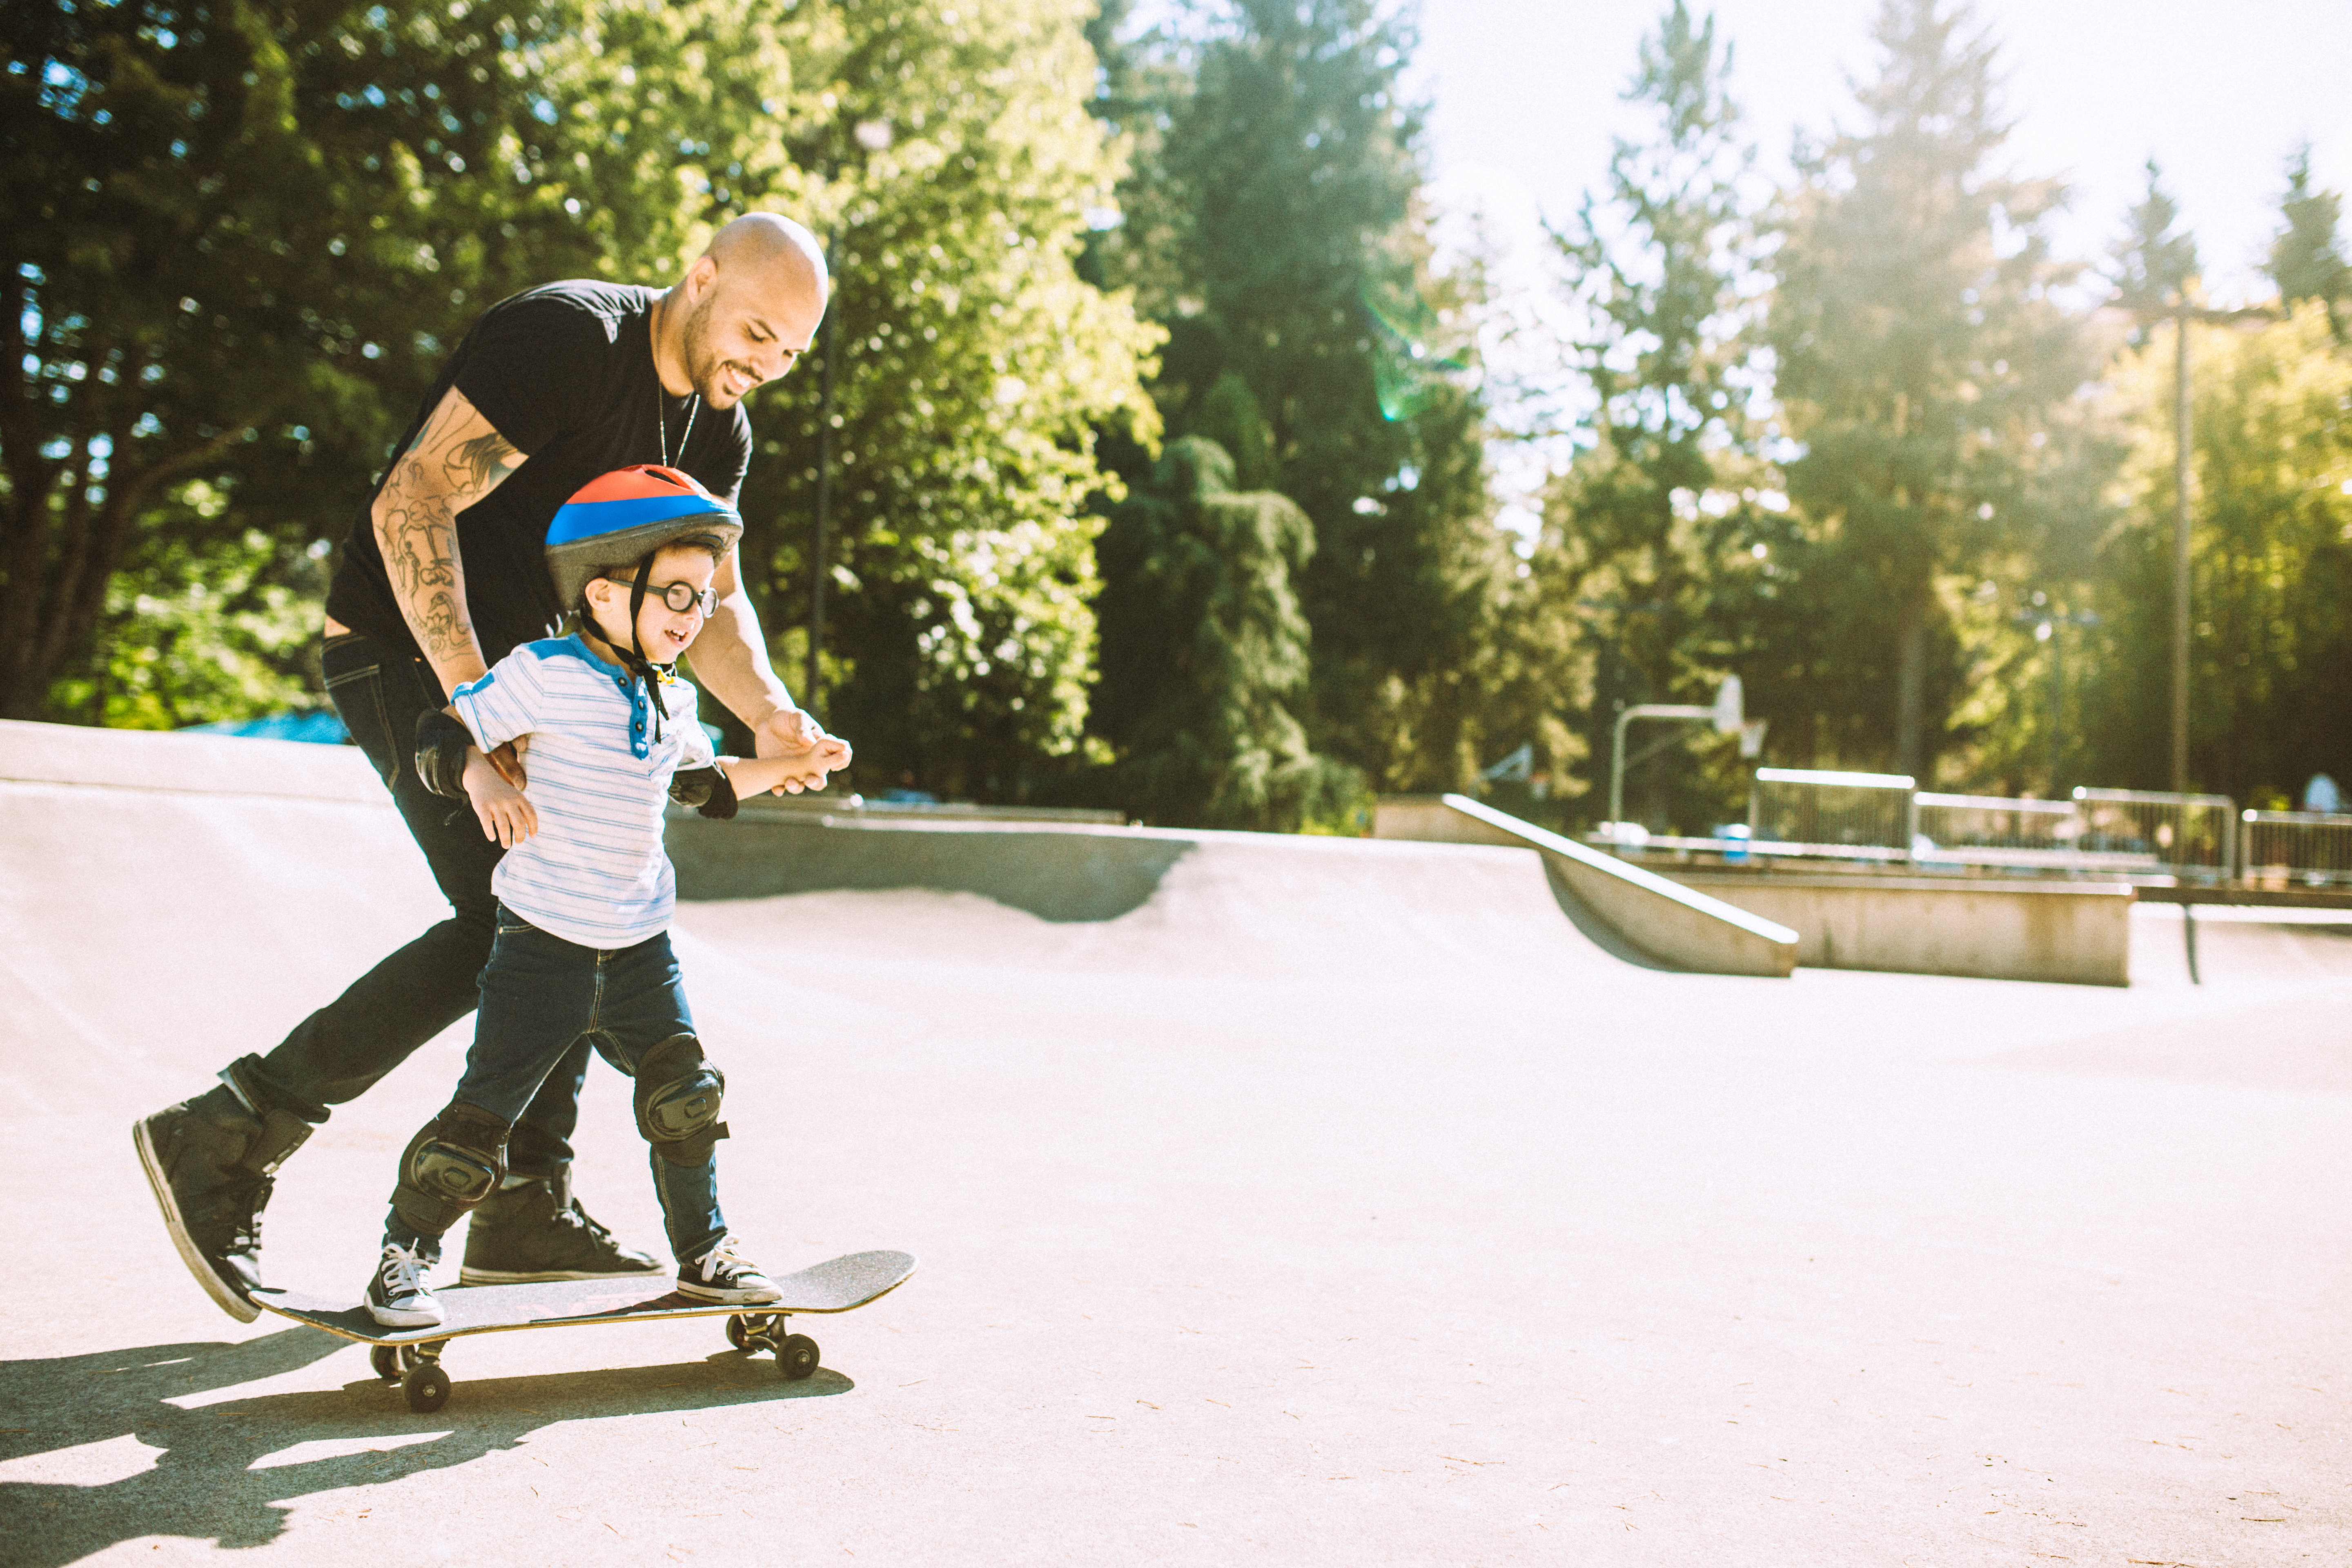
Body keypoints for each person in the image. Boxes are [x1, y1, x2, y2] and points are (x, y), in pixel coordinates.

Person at [134, 214, 845, 1321]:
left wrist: (767, 713)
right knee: (517, 921)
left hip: (549, 690)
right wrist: (477, 706)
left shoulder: (718, 431)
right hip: (407, 650)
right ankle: (228, 1130)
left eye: (790, 351)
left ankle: (524, 1207)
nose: (764, 363)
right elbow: (411, 501)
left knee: (572, 897)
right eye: (756, 329)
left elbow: (711, 598)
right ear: (698, 279)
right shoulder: (567, 341)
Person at [370, 468, 829, 1325]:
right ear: (609, 593)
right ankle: (405, 1255)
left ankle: (707, 1253)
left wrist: (790, 768)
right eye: (678, 596)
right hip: (541, 946)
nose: (693, 617)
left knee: (684, 1099)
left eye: (703, 600)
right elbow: (445, 730)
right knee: (482, 1124)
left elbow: (703, 784)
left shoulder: (672, 696)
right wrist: (480, 777)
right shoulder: (542, 672)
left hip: (640, 948)